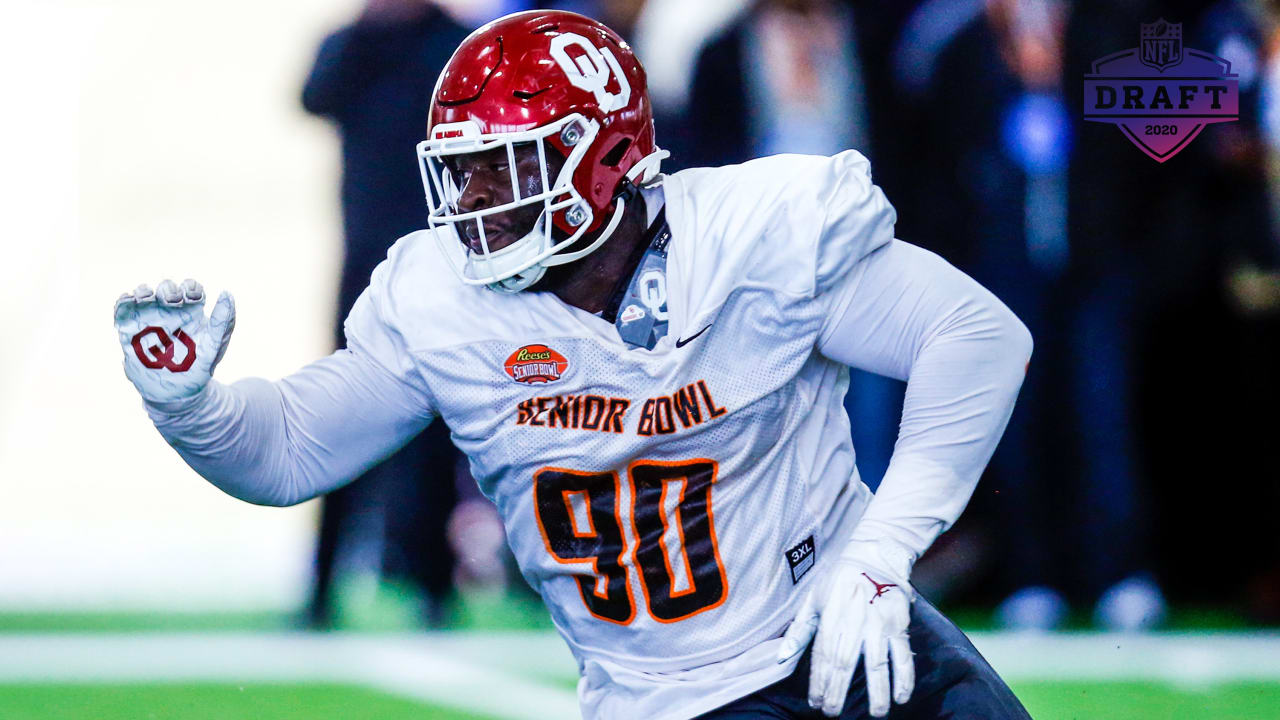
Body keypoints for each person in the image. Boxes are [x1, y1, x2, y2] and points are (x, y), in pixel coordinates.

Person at [113, 10, 1033, 720]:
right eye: (462, 169)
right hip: (673, 698)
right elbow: (289, 451)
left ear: (600, 160)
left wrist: (881, 552)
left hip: (846, 625)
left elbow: (977, 336)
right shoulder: (444, 301)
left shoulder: (754, 237)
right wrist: (194, 407)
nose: (472, 199)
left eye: (503, 167)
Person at [299, 0, 470, 627]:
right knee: (341, 418)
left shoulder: (454, 45)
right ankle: (321, 588)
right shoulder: (354, 44)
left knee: (436, 435)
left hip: (442, 260)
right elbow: (312, 97)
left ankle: (431, 585)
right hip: (364, 262)